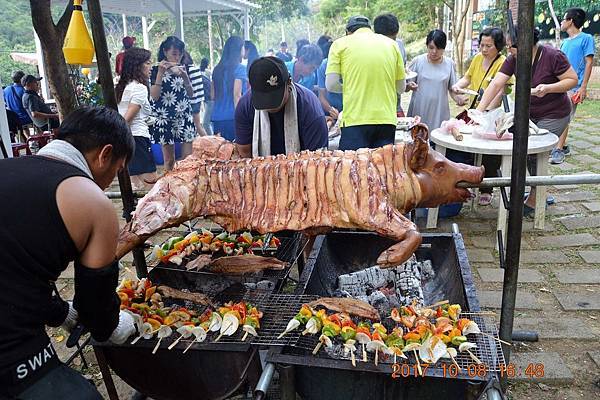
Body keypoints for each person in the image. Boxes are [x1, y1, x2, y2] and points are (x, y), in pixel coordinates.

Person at [0, 106, 136, 399]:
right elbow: (97, 312)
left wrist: (62, 312)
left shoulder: (6, 167)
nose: (112, 178)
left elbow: (14, 269)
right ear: (105, 154)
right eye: (117, 169)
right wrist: (115, 324)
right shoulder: (93, 201)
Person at [477, 27, 577, 216]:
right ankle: (537, 188)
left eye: (511, 46)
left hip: (555, 113)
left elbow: (572, 79)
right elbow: (496, 84)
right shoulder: (514, 59)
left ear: (525, 44)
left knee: (535, 153)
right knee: (523, 151)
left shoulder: (553, 56)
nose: (509, 51)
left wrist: (547, 88)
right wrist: (478, 113)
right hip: (529, 112)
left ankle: (535, 197)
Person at [326, 15, 406, 150]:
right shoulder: (392, 45)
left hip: (354, 121)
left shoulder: (340, 44)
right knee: (382, 168)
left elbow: (331, 84)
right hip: (386, 121)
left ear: (348, 32)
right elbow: (401, 87)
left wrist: (351, 86)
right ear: (370, 29)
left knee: (353, 168)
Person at [452, 27, 508, 206]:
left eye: (488, 46)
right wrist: (457, 87)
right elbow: (467, 78)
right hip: (475, 110)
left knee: (489, 153)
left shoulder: (503, 63)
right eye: (481, 45)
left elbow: (501, 91)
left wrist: (485, 112)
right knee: (465, 147)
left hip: (492, 114)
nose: (483, 49)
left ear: (498, 47)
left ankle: (486, 188)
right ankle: (466, 182)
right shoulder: (477, 59)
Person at [235, 56, 328, 157]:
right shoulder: (245, 106)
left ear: (289, 83)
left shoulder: (311, 110)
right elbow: (244, 152)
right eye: (263, 98)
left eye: (273, 97)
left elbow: (317, 160)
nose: (269, 106)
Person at [555, 7, 595, 164]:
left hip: (574, 86)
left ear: (570, 21)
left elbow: (589, 62)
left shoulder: (586, 38)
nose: (562, 22)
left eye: (564, 19)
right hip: (560, 85)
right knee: (557, 114)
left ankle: (558, 150)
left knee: (564, 116)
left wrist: (583, 86)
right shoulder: (564, 42)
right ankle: (562, 145)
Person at [149, 36, 196, 171]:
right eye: (174, 53)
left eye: (180, 54)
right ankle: (169, 186)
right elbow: (155, 96)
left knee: (188, 159)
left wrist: (185, 77)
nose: (177, 57)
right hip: (165, 118)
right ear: (165, 51)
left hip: (184, 116)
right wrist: (160, 73)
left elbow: (191, 94)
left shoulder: (185, 68)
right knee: (169, 160)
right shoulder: (155, 70)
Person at [116, 47, 158, 190]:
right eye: (147, 63)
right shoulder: (139, 88)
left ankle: (132, 211)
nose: (150, 67)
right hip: (137, 139)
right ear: (137, 65)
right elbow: (127, 118)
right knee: (152, 186)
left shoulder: (123, 86)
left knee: (135, 185)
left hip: (126, 139)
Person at [407, 30, 466, 131]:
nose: (434, 51)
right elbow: (406, 86)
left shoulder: (449, 64)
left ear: (443, 48)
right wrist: (409, 86)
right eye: (431, 47)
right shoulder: (417, 61)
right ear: (427, 46)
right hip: (420, 109)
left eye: (438, 48)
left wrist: (458, 99)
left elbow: (452, 88)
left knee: (437, 140)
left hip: (439, 110)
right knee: (418, 139)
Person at [211, 36, 248, 141]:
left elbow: (212, 95)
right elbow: (237, 96)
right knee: (236, 152)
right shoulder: (240, 69)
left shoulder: (217, 69)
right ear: (239, 49)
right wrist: (242, 119)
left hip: (217, 117)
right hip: (233, 118)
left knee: (221, 152)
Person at [373, 13, 407, 116]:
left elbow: (402, 72)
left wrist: (407, 84)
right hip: (376, 108)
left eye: (394, 38)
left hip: (395, 105)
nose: (392, 43)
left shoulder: (399, 45)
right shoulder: (369, 50)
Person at [316, 35, 342, 120]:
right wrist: (330, 110)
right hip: (332, 109)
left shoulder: (350, 64)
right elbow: (321, 96)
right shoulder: (323, 66)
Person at [182, 51, 208, 137]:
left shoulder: (184, 70)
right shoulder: (196, 69)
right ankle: (209, 141)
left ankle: (207, 142)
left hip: (189, 102)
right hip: (197, 101)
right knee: (198, 125)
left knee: (193, 127)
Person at [199, 57, 214, 135]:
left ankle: (211, 139)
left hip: (207, 98)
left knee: (206, 123)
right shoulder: (208, 72)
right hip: (208, 98)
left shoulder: (199, 72)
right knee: (206, 123)